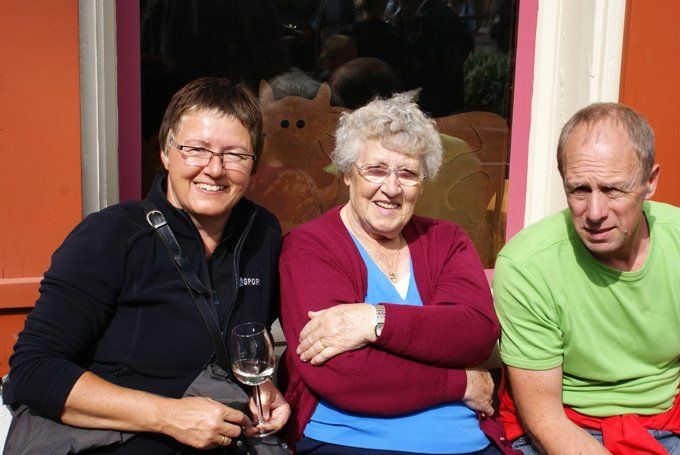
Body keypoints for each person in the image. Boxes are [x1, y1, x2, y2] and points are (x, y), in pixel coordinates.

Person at [3, 77, 290, 453]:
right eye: (196, 150)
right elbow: (34, 371)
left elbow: (239, 342)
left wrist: (260, 387)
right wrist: (168, 416)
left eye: (235, 155)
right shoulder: (112, 235)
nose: (215, 169)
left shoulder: (262, 233)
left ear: (254, 166)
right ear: (166, 153)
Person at [279, 93, 514, 454]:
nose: (391, 188)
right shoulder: (310, 245)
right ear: (347, 174)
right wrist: (461, 383)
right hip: (352, 441)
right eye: (376, 170)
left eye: (407, 173)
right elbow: (343, 374)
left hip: (467, 442)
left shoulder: (446, 240)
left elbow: (475, 334)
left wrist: (375, 320)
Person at [493, 103, 680, 454]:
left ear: (650, 182)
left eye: (612, 190)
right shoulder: (527, 266)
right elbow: (545, 419)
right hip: (571, 425)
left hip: (668, 418)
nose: (594, 212)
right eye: (579, 189)